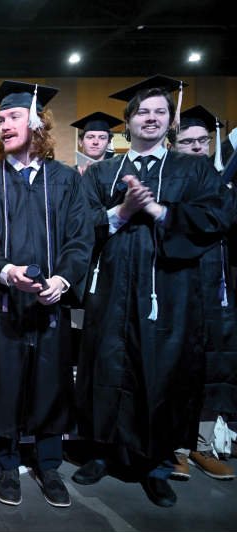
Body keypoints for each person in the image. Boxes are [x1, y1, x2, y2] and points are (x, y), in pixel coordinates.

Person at [74, 75, 233, 507]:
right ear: (127, 122)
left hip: (170, 287)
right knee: (105, 365)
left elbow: (217, 218)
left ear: (171, 120)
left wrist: (159, 210)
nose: (151, 117)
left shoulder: (193, 168)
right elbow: (79, 225)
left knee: (163, 370)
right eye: (142, 111)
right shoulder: (103, 171)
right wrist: (122, 211)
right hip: (110, 287)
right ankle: (101, 452)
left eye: (160, 111)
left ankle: (157, 465)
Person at [0, 81, 93, 508]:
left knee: (51, 383)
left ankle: (49, 466)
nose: (4, 123)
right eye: (1, 119)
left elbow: (80, 238)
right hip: (3, 304)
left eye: (14, 116)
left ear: (37, 123)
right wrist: (5, 271)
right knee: (3, 381)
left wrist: (63, 281)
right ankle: (9, 464)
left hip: (49, 306)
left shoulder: (66, 181)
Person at [166, 105, 237, 482]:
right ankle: (174, 445)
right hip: (180, 279)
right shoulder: (171, 181)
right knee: (179, 360)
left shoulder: (222, 182)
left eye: (203, 141)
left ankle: (203, 444)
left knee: (217, 359)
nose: (196, 147)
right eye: (188, 141)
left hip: (218, 282)